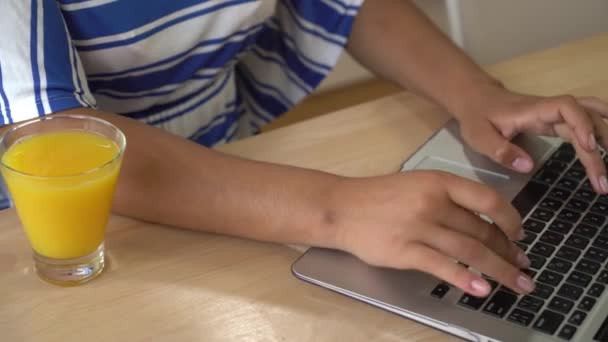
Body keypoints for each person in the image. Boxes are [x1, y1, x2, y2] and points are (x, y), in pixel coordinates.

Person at [2, 0, 608, 298]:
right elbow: (59, 142)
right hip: (73, 238)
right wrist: (338, 211)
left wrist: (478, 94)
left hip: (243, 176)